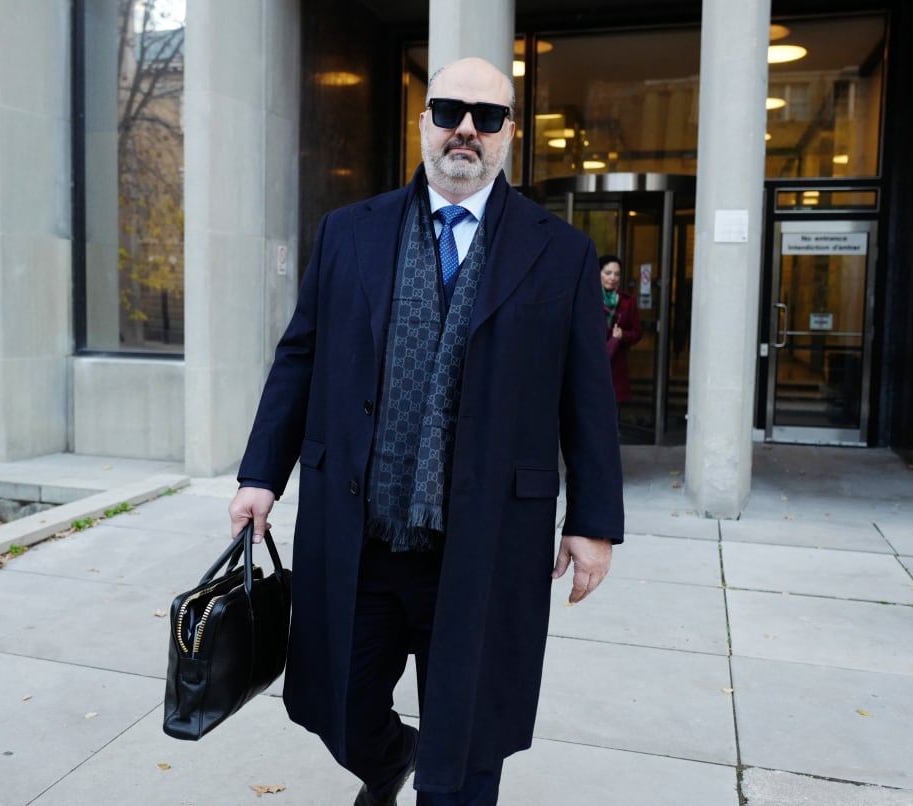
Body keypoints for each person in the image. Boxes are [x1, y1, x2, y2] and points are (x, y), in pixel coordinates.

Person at [228, 56, 624, 806]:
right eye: (448, 110)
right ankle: (387, 761)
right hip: (360, 535)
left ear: (509, 135)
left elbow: (586, 397)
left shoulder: (560, 251)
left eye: (488, 115)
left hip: (487, 544)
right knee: (335, 710)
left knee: (469, 748)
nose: (465, 128)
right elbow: (300, 357)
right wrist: (260, 475)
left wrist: (595, 521)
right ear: (423, 124)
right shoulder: (349, 232)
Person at [599, 254, 643, 404]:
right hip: (592, 361)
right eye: (608, 273)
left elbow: (637, 332)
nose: (612, 278)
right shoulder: (588, 298)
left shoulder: (628, 301)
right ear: (598, 273)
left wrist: (622, 335)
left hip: (615, 366)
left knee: (612, 413)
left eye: (617, 274)